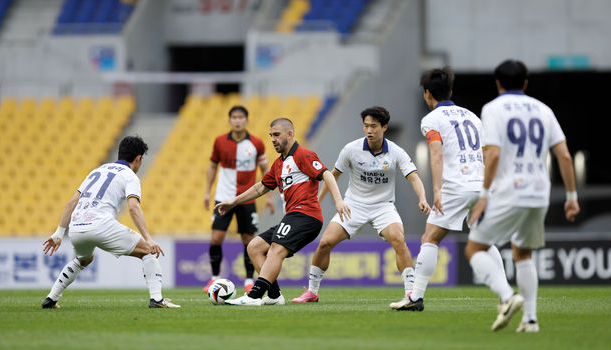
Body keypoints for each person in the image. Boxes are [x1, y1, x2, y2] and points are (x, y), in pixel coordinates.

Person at [466, 60, 579, 332]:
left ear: (497, 83)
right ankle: (530, 320)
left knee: (474, 248)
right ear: (526, 83)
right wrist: (572, 196)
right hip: (539, 192)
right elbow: (563, 154)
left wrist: (484, 195)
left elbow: (492, 154)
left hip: (510, 189)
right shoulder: (544, 109)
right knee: (523, 252)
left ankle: (507, 298)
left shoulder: (492, 109)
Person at [390, 68, 505, 311]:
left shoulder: (432, 119)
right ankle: (506, 295)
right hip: (480, 185)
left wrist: (438, 190)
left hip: (456, 186)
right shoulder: (473, 117)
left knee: (430, 238)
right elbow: (488, 154)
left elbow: (436, 153)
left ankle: (415, 297)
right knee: (484, 240)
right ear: (451, 91)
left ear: (427, 93)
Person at [293, 106, 431, 303]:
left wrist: (423, 198)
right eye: (366, 126)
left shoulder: (396, 151)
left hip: (383, 206)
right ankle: (312, 292)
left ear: (384, 127)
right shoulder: (351, 149)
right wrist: (317, 200)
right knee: (325, 243)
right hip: (353, 205)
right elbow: (332, 177)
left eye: (374, 126)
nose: (369, 130)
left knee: (399, 239)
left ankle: (411, 293)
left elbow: (414, 178)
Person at [215, 118, 350, 306]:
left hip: (306, 215)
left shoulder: (303, 154)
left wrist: (338, 201)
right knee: (254, 247)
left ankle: (254, 296)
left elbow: (326, 174)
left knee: (276, 248)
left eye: (277, 135)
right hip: (293, 216)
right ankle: (274, 295)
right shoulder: (279, 164)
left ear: (290, 134)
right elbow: (261, 187)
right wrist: (234, 202)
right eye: (271, 135)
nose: (273, 139)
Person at [41, 136, 179, 309]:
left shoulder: (97, 171)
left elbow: (72, 202)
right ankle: (157, 300)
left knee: (83, 260)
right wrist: (148, 238)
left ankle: (51, 298)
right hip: (100, 225)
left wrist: (59, 233)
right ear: (138, 158)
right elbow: (133, 208)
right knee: (148, 251)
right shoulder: (130, 176)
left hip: (76, 227)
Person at [203, 105, 275, 294]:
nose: (237, 120)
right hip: (223, 197)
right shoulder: (219, 142)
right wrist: (207, 192)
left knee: (249, 240)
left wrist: (269, 196)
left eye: (240, 117)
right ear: (229, 120)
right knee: (216, 238)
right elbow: (212, 167)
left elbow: (266, 171)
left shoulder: (256, 144)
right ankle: (214, 279)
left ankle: (249, 280)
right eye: (234, 117)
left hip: (246, 199)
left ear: (246, 120)